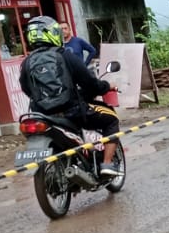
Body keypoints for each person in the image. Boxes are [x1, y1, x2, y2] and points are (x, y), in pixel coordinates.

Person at [19, 15, 121, 177]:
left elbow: (26, 88)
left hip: (42, 115)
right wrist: (106, 86)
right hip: (72, 111)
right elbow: (89, 83)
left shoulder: (27, 62)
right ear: (52, 34)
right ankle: (107, 164)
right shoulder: (65, 55)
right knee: (111, 119)